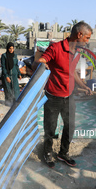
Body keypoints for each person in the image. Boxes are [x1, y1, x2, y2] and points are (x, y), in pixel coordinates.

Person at [33, 21, 92, 168]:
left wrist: (83, 86)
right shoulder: (56, 48)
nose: (87, 41)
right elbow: (41, 60)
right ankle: (47, 153)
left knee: (69, 126)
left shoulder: (77, 53)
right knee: (50, 128)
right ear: (79, 35)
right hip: (53, 97)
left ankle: (63, 153)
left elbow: (72, 72)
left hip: (69, 96)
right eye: (87, 38)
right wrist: (42, 63)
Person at [0, 42, 22, 106]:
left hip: (14, 75)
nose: (11, 50)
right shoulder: (4, 56)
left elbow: (16, 65)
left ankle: (16, 102)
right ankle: (8, 103)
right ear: (7, 48)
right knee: (8, 90)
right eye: (10, 48)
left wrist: (19, 73)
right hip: (7, 75)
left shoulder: (15, 56)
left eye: (13, 48)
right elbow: (3, 66)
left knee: (16, 89)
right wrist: (6, 76)